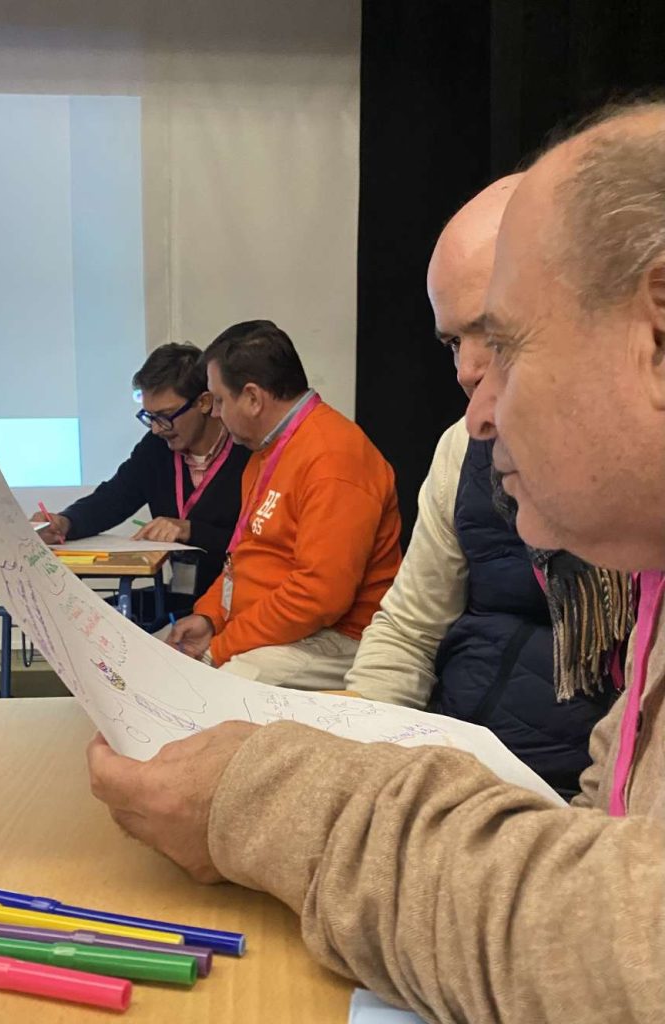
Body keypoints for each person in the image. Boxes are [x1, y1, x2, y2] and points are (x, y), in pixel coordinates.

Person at [88, 102, 665, 1022]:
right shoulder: (421, 464)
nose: (476, 398)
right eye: (458, 350)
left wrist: (267, 794)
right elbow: (610, 823)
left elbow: (625, 936)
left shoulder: (337, 456)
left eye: (504, 342)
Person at [345, 176, 628, 796]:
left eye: (498, 333)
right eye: (453, 342)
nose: (467, 373)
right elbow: (409, 630)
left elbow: (621, 804)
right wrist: (358, 746)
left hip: (551, 804)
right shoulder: (462, 447)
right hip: (452, 762)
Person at [169, 320, 402, 688]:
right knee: (160, 657)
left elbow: (319, 597)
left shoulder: (332, 458)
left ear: (253, 398)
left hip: (339, 636)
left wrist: (221, 647)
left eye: (219, 400)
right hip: (277, 632)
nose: (214, 413)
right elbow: (244, 556)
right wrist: (210, 618)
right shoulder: (267, 451)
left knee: (222, 687)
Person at [33, 343, 250, 609]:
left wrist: (191, 531)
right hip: (184, 593)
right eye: (150, 417)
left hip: (240, 598)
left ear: (204, 402)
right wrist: (65, 522)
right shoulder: (156, 448)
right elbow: (114, 497)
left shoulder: (246, 451)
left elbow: (259, 542)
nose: (157, 429)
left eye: (166, 416)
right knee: (93, 618)